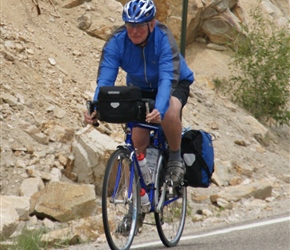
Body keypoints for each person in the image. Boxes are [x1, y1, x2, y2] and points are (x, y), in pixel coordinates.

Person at [84, 0, 194, 186]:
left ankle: (175, 159)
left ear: (151, 24)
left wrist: (159, 108)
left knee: (168, 112)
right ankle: (136, 203)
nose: (134, 31)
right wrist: (96, 106)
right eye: (129, 26)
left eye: (139, 26)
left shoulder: (163, 39)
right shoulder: (117, 42)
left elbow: (167, 79)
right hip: (140, 87)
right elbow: (105, 80)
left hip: (174, 82)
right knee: (137, 141)